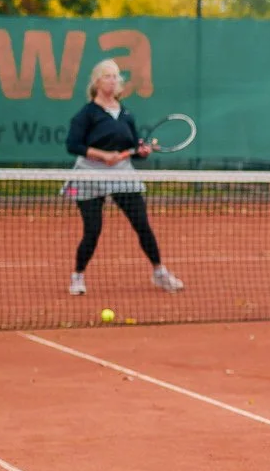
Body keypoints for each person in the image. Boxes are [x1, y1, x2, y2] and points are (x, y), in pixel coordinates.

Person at [63, 59, 184, 296]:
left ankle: (159, 273)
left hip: (122, 174)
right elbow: (72, 144)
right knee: (93, 230)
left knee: (142, 224)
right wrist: (102, 155)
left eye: (116, 76)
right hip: (89, 174)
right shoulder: (86, 114)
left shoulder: (126, 114)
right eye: (108, 76)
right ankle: (77, 276)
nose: (113, 80)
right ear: (97, 82)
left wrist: (142, 151)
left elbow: (133, 148)